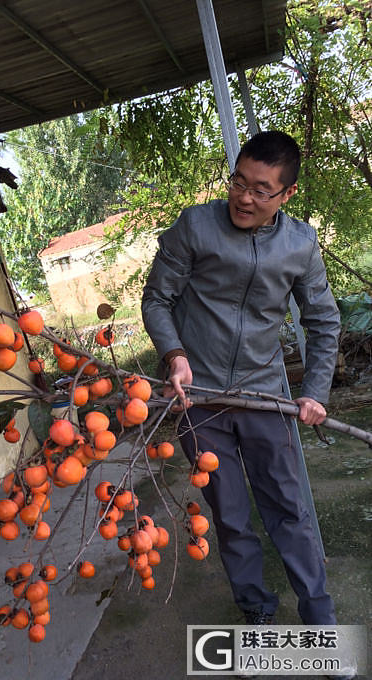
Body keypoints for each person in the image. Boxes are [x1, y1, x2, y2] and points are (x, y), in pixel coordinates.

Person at [141, 131, 341, 628]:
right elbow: (157, 299)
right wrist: (175, 356)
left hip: (265, 397)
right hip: (199, 399)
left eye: (260, 189)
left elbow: (323, 321)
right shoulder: (196, 226)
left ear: (286, 194)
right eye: (238, 181)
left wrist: (313, 393)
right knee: (229, 517)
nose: (244, 198)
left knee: (289, 511)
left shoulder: (300, 244)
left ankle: (320, 620)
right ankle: (256, 612)